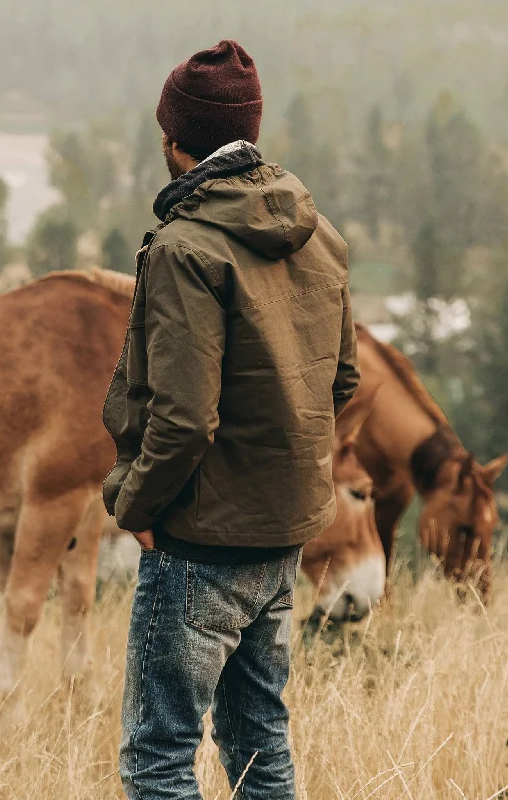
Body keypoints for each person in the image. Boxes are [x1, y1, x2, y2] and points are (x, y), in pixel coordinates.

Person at [102, 39, 360, 800]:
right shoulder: (320, 233)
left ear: (176, 140)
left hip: (199, 540)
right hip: (282, 533)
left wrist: (137, 506)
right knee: (259, 744)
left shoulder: (186, 248)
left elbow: (182, 420)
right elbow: (340, 379)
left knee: (158, 757)